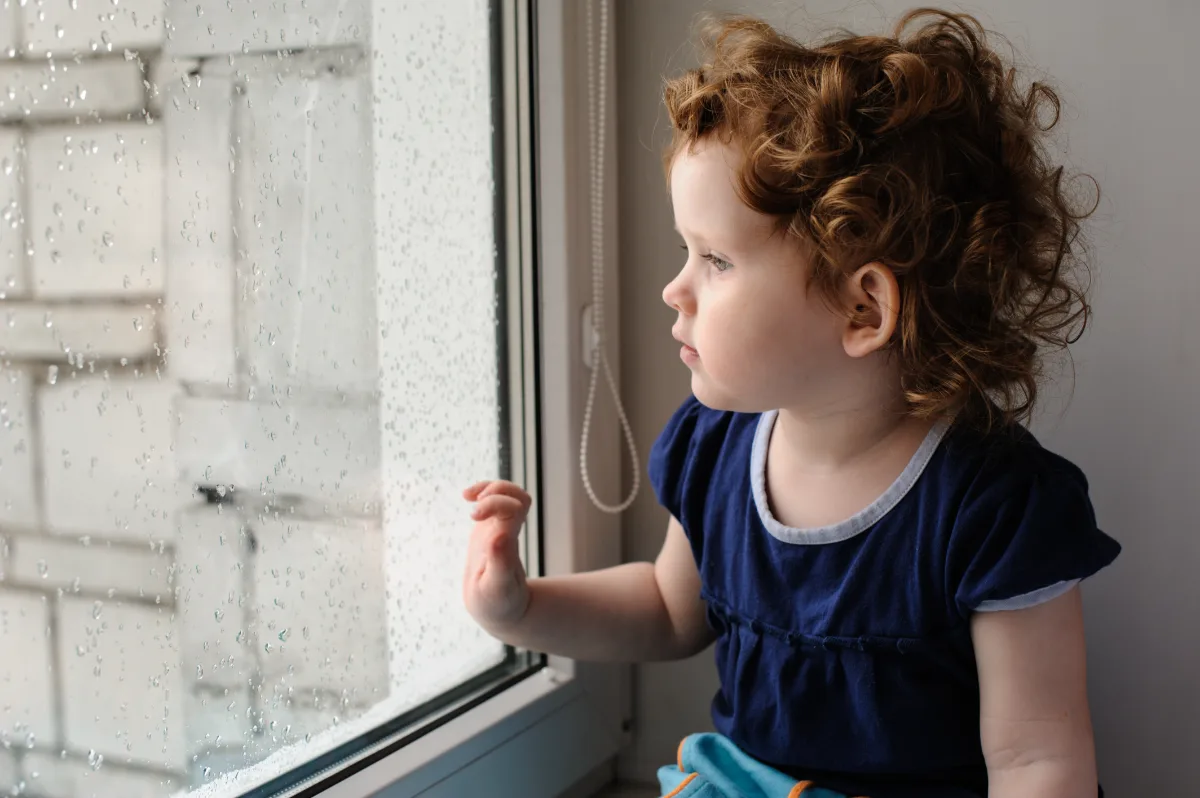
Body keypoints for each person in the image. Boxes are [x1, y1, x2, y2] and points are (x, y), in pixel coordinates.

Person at [461, 9, 1121, 798]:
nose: (674, 288)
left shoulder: (994, 508)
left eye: (715, 260)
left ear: (862, 311)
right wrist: (520, 607)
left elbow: (1037, 761)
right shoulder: (717, 445)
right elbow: (671, 610)